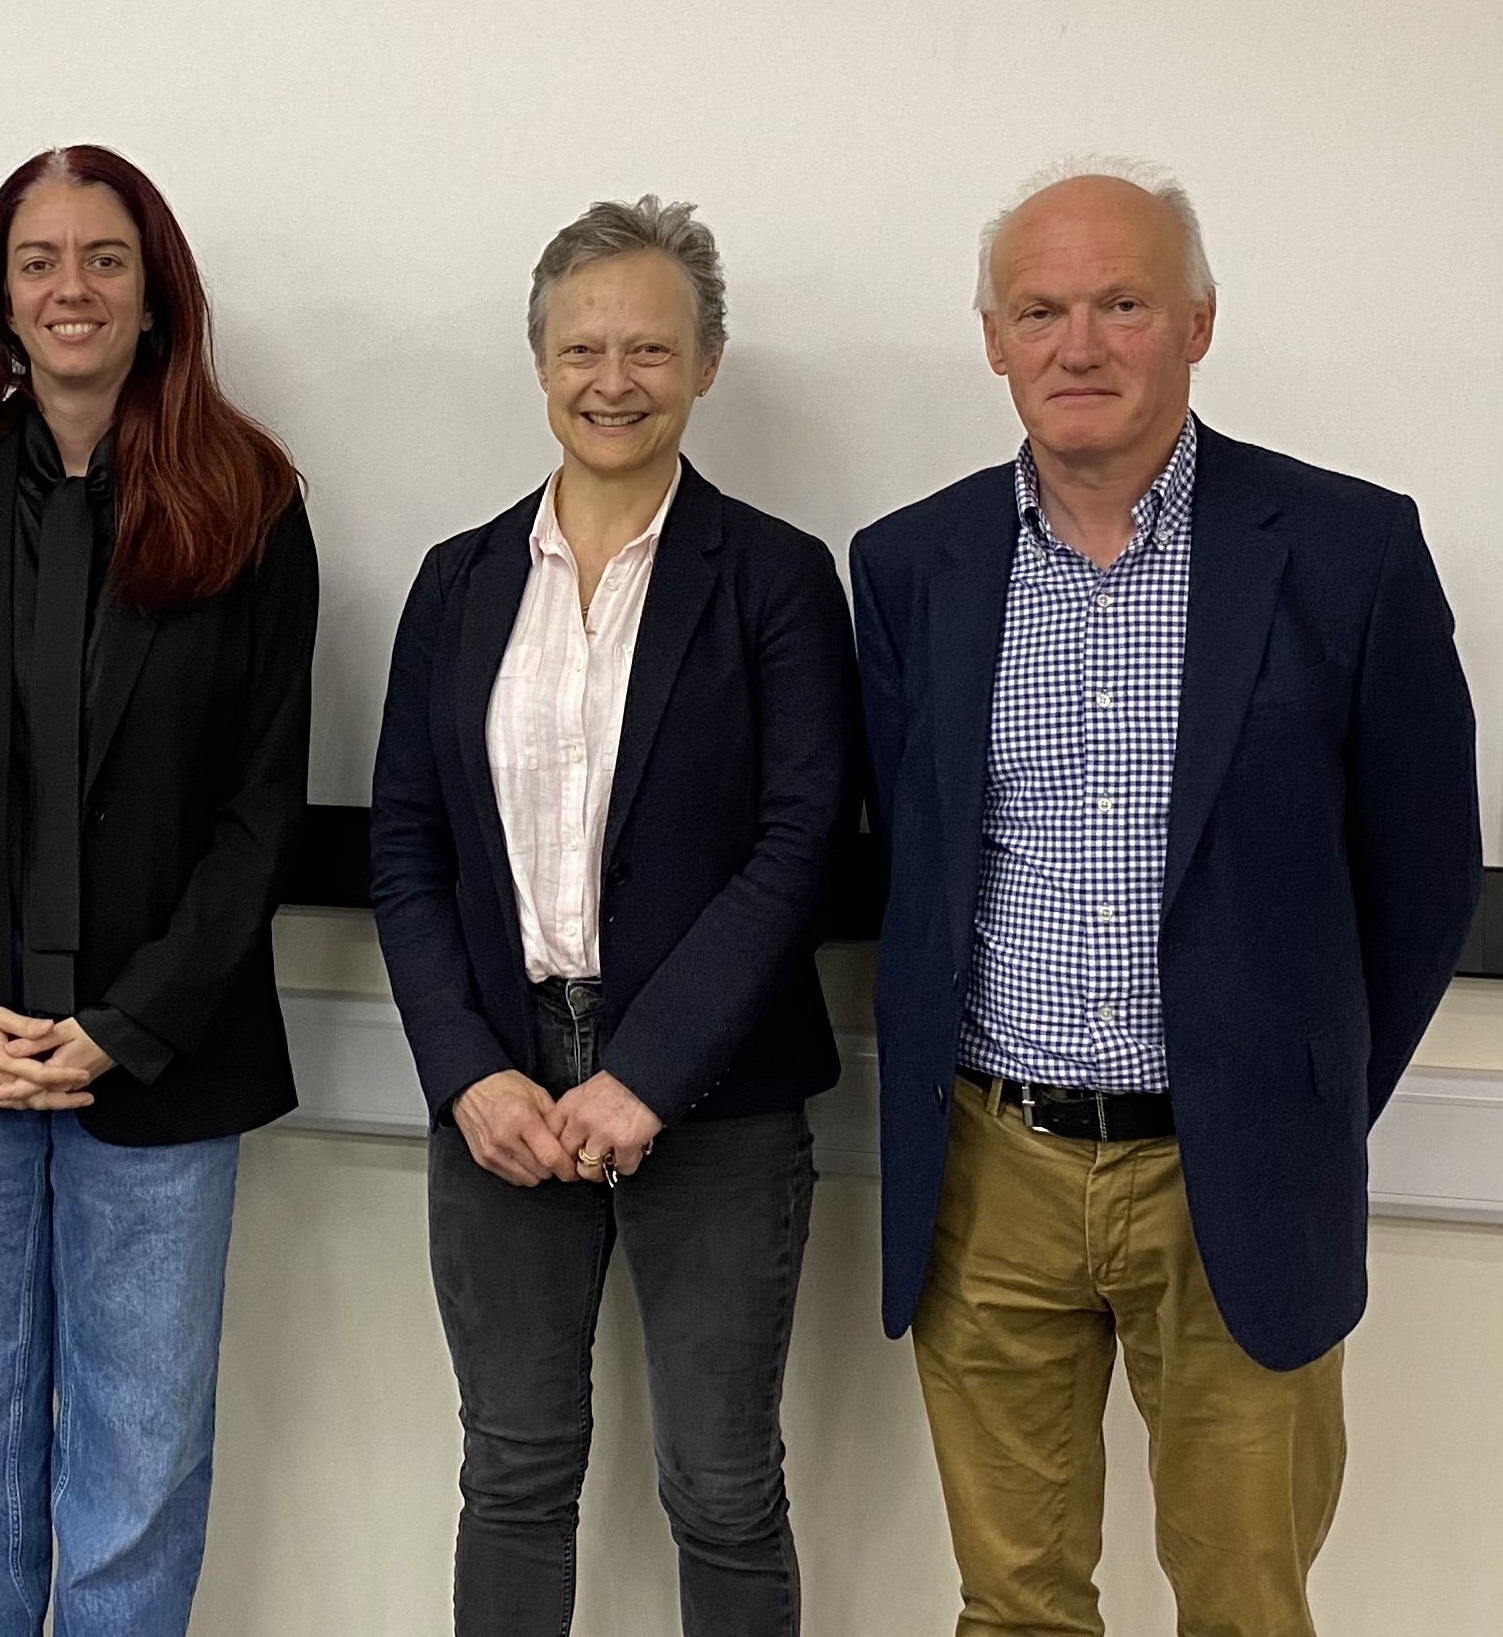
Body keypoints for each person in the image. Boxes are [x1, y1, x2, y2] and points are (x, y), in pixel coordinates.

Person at [851, 158, 1481, 1637]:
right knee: (1011, 1603)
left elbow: (1423, 872)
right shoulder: (909, 564)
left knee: (1243, 1601)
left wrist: (1301, 1091)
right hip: (989, 1168)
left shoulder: (1345, 551)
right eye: (1040, 308)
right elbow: (916, 856)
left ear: (1195, 323)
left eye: (1121, 303)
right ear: (991, 335)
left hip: (1234, 1175)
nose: (1078, 345)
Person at [0, 144, 316, 1637]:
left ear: (154, 292)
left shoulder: (249, 496)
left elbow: (261, 802)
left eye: (102, 258)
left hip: (161, 1063)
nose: (70, 288)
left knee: (141, 1461)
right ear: (0, 294)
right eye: (38, 261)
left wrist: (128, 1019)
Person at [370, 195, 857, 1637]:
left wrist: (647, 1072)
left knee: (718, 1481)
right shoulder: (458, 583)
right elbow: (403, 843)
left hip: (713, 1098)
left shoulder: (772, 577)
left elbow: (798, 842)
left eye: (651, 345)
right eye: (580, 344)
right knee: (511, 1471)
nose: (612, 378)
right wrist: (464, 1071)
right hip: (502, 1090)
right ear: (536, 362)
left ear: (706, 363)